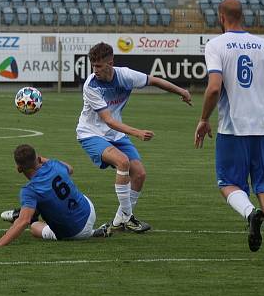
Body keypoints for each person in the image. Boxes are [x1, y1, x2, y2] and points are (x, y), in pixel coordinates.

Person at [194, 0, 264, 262]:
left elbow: (214, 87)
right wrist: (261, 86)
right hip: (262, 128)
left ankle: (250, 214)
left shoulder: (216, 44)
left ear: (221, 17)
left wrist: (203, 119)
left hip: (233, 129)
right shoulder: (263, 44)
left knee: (228, 183)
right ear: (242, 16)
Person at [77, 42, 192, 235]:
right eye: (93, 66)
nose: (94, 70)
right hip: (91, 133)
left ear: (110, 63)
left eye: (99, 66)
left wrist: (182, 91)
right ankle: (129, 218)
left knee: (139, 174)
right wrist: (136, 132)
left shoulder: (125, 76)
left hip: (115, 134)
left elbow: (154, 80)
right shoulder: (91, 86)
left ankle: (119, 221)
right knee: (123, 162)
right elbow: (108, 120)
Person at [0, 144, 110, 248]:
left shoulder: (29, 190)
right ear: (38, 158)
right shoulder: (53, 164)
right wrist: (42, 160)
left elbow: (23, 222)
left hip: (75, 233)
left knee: (34, 227)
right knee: (56, 194)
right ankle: (25, 213)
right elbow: (70, 169)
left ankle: (25, 215)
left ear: (19, 169)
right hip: (89, 210)